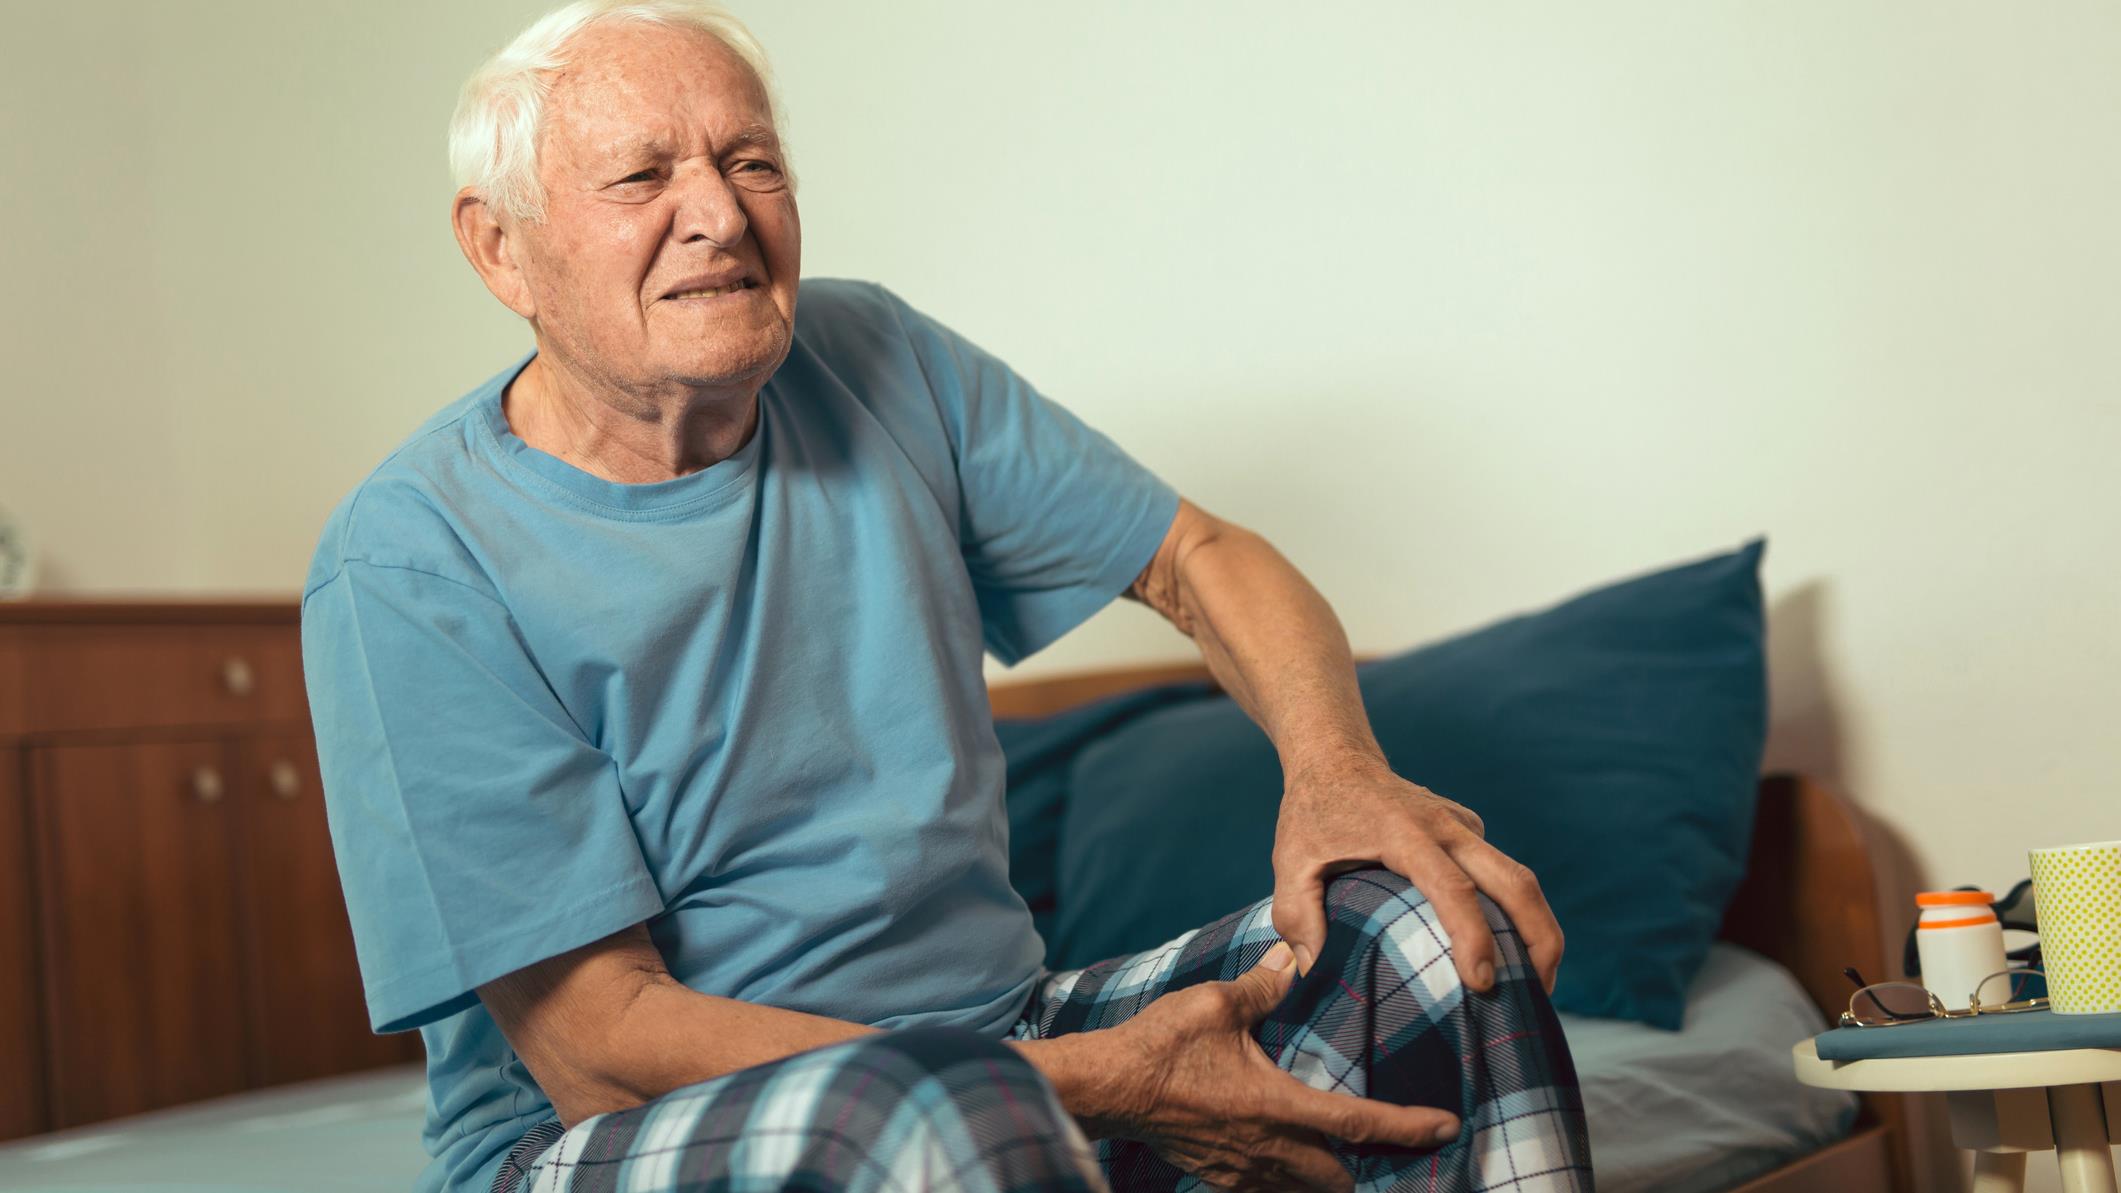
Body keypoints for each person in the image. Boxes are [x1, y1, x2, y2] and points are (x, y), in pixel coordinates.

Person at [298, 3, 1594, 1190]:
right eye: (641, 177)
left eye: (751, 163)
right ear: (501, 249)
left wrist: (1337, 771)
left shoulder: (876, 356)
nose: (721, 216)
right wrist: (1092, 1086)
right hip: (595, 1138)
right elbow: (598, 1045)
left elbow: (1199, 555)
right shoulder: (409, 558)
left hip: (999, 1033)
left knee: (1423, 927)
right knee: (930, 1113)